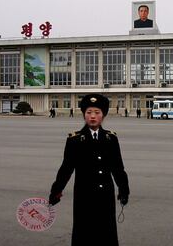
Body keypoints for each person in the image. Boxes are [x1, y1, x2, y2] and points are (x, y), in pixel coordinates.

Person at [48, 94, 130, 246]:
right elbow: (66, 169)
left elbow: (118, 167)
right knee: (83, 233)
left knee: (107, 232)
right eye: (89, 112)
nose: (93, 116)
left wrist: (124, 189)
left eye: (97, 113)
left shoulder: (110, 139)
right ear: (84, 115)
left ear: (103, 115)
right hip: (84, 196)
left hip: (106, 195)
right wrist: (56, 192)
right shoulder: (75, 140)